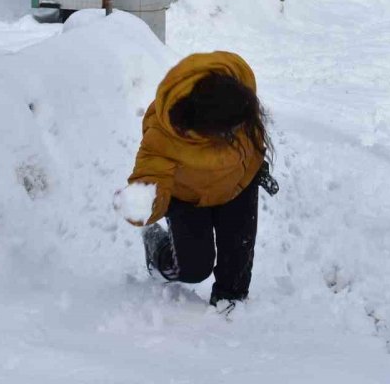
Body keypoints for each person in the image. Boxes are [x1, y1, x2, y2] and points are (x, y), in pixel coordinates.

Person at [114, 51, 279, 311]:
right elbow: (151, 172)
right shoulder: (164, 130)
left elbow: (251, 143)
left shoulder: (238, 90)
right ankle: (156, 247)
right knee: (192, 268)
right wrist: (142, 201)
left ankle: (229, 303)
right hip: (188, 197)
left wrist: (258, 168)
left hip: (238, 186)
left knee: (237, 258)